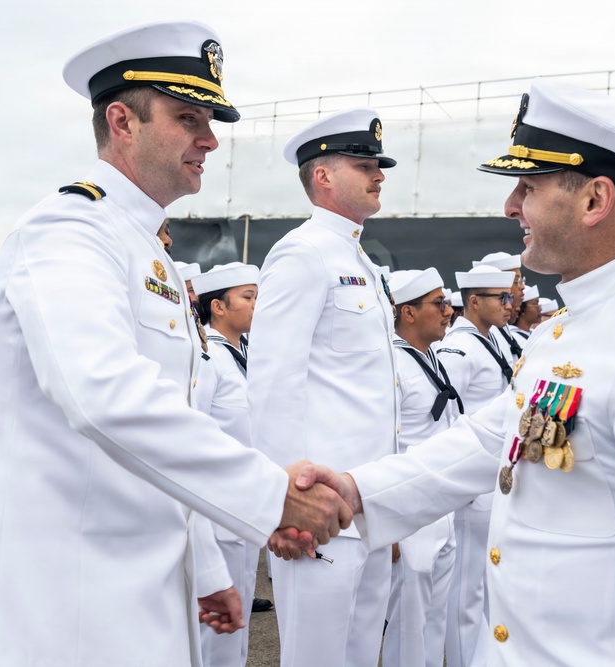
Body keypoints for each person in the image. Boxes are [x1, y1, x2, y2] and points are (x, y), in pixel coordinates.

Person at [297, 77, 615, 666]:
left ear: (595, 200)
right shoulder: (571, 329)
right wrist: (357, 491)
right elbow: (494, 439)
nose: (511, 207)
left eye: (528, 187)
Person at [0, 21, 351, 667]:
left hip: (142, 583)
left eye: (210, 119)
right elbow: (102, 394)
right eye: (188, 116)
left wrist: (206, 563)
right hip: (67, 600)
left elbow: (170, 422)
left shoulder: (146, 248)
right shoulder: (69, 228)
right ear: (122, 120)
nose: (210, 139)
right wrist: (268, 492)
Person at [248, 107, 400, 667]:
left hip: (367, 505)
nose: (379, 173)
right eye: (364, 164)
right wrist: (285, 504)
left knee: (362, 658)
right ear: (324, 176)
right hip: (320, 510)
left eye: (378, 164)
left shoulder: (358, 258)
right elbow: (271, 383)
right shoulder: (303, 252)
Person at [435, 264, 515, 667]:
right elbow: (447, 415)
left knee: (485, 586)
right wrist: (459, 482)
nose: (509, 303)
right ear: (473, 301)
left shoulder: (493, 338)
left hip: (494, 479)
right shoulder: (460, 348)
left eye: (509, 296)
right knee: (465, 589)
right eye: (500, 297)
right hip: (472, 483)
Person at [382, 268, 460, 667]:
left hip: (440, 506)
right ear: (407, 313)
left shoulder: (429, 356)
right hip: (409, 510)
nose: (448, 312)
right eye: (439, 304)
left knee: (435, 618)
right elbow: (384, 445)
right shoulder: (390, 365)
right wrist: (389, 525)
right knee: (408, 624)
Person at [191, 262, 261, 667]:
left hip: (246, 505)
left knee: (240, 617)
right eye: (248, 298)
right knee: (215, 626)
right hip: (217, 509)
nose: (257, 305)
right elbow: (194, 435)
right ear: (218, 306)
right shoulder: (208, 359)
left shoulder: (247, 354)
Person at [473, 252, 525, 363]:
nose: (523, 287)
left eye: (522, 280)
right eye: (517, 281)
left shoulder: (500, 325)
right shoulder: (486, 329)